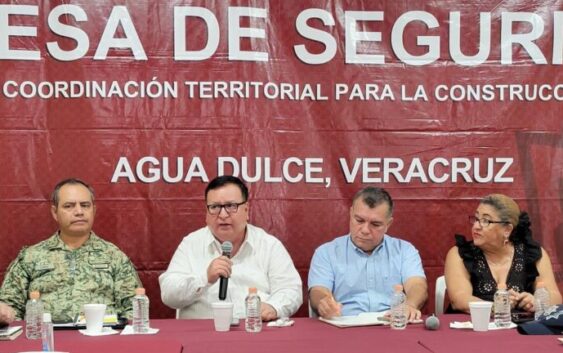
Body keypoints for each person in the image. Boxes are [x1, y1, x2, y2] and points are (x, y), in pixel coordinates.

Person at [159, 175, 302, 320]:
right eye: (214, 207)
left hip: (254, 332)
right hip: (202, 333)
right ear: (206, 213)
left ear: (246, 210)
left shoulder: (268, 245)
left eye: (230, 206)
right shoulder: (191, 244)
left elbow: (291, 289)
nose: (222, 214)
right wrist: (204, 279)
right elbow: (168, 294)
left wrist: (274, 307)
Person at [0, 178, 141, 323]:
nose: (79, 212)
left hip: (102, 337)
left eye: (85, 205)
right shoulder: (31, 257)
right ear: (55, 212)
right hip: (45, 339)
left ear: (94, 210)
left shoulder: (114, 256)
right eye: (69, 206)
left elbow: (134, 309)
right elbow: (9, 308)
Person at [308, 187, 428, 321]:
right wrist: (325, 303)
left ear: (388, 224)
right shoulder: (326, 252)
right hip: (345, 324)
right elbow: (318, 290)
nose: (365, 230)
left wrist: (410, 305)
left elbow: (417, 285)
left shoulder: (404, 250)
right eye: (359, 220)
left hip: (392, 323)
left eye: (375, 224)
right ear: (351, 213)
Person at [444, 194, 562, 314]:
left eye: (485, 221)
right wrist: (497, 308)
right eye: (476, 219)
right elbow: (460, 299)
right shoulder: (460, 254)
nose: (476, 226)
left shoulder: (532, 253)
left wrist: (536, 302)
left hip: (520, 329)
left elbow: (555, 298)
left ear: (507, 230)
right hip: (473, 327)